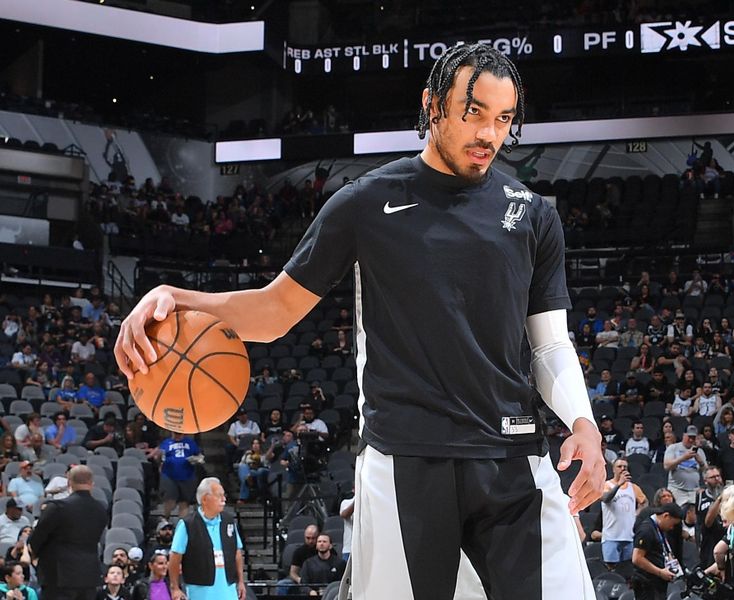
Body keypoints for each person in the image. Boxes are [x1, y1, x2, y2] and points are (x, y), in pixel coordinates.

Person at [115, 43, 604, 599]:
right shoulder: (365, 203)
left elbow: (549, 344)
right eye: (474, 113)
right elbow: (275, 312)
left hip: (516, 455)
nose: (489, 134)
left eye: (503, 119)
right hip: (406, 458)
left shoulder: (534, 213)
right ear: (433, 106)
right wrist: (174, 297)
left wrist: (582, 423)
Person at [28, 465, 108, 600]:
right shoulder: (101, 509)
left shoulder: (57, 507)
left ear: (69, 482)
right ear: (91, 483)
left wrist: (35, 554)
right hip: (88, 576)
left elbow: (36, 541)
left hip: (58, 577)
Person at [169, 477, 245, 600]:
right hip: (199, 591)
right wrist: (175, 588)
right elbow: (175, 557)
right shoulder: (187, 524)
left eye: (223, 495)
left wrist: (241, 581)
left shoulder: (229, 521)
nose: (224, 499)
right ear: (205, 499)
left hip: (228, 589)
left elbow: (237, 552)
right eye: (219, 495)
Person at [601, 458, 648, 569]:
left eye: (625, 467)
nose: (622, 469)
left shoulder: (633, 487)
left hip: (629, 536)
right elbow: (605, 498)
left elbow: (645, 502)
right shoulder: (607, 485)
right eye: (619, 466)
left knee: (628, 569)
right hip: (611, 536)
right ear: (613, 469)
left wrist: (637, 513)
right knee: (611, 568)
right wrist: (619, 485)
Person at [631, 503, 684, 600]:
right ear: (666, 516)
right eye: (673, 524)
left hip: (657, 583)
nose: (672, 528)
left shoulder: (659, 529)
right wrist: (660, 572)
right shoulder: (647, 530)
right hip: (646, 583)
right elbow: (637, 558)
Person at [157, 432, 201, 520]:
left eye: (179, 434)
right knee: (170, 500)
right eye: (175, 433)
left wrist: (196, 460)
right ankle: (166, 520)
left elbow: (199, 456)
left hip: (187, 476)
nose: (177, 435)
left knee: (184, 502)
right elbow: (159, 456)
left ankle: (182, 525)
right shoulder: (166, 442)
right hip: (169, 475)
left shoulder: (190, 443)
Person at [663, 425, 706, 506]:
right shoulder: (673, 448)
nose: (691, 440)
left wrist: (700, 462)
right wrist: (683, 458)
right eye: (689, 437)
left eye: (693, 437)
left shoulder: (699, 451)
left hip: (694, 490)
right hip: (677, 490)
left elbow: (706, 472)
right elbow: (666, 466)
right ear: (683, 435)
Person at [696, 465, 726, 569]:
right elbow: (707, 523)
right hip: (709, 541)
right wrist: (719, 499)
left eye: (718, 476)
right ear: (705, 481)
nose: (717, 479)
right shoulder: (701, 497)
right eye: (713, 477)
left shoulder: (730, 494)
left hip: (726, 537)